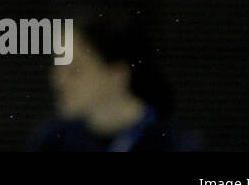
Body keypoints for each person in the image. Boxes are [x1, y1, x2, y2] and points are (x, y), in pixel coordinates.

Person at [29, 10, 202, 151]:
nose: (58, 80)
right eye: (58, 66)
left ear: (117, 74)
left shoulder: (173, 144)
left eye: (74, 70)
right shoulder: (52, 140)